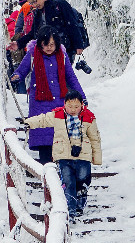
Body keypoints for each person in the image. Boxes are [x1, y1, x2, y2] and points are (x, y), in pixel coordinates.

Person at [21, 90, 100, 218]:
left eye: (76, 106)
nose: (73, 110)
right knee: (68, 181)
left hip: (83, 156)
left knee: (83, 180)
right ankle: (70, 208)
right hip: (63, 155)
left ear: (82, 105)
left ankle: (80, 203)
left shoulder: (88, 117)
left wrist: (96, 157)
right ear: (64, 104)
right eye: (70, 106)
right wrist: (29, 122)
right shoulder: (58, 115)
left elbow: (95, 138)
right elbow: (43, 119)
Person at [12, 30, 83, 162]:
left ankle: (58, 168)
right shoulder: (33, 54)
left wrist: (81, 97)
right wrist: (16, 77)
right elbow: (22, 70)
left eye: (52, 44)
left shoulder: (62, 56)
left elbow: (71, 77)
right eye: (46, 44)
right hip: (39, 103)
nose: (49, 47)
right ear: (40, 43)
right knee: (43, 139)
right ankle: (46, 167)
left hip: (59, 102)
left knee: (58, 139)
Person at [17, 0, 93, 74]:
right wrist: (18, 43)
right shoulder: (38, 12)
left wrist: (78, 45)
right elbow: (33, 34)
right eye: (31, 3)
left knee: (59, 76)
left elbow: (72, 24)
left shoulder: (59, 4)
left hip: (65, 48)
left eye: (35, 1)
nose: (34, 5)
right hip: (48, 51)